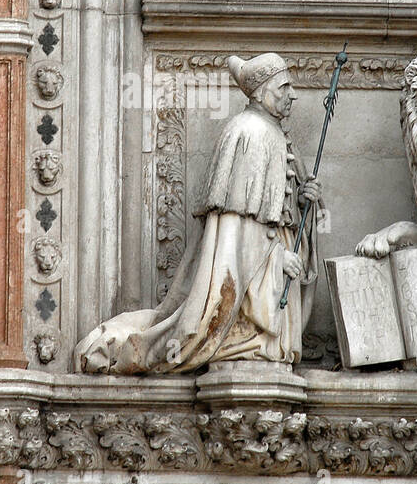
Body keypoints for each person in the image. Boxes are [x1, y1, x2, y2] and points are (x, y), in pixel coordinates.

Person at [76, 53, 321, 373]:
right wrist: (276, 261)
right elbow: (234, 237)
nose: (293, 94)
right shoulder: (248, 133)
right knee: (186, 332)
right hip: (257, 281)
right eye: (284, 87)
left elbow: (278, 216)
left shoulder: (276, 134)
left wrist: (305, 202)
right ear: (262, 91)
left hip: (272, 277)